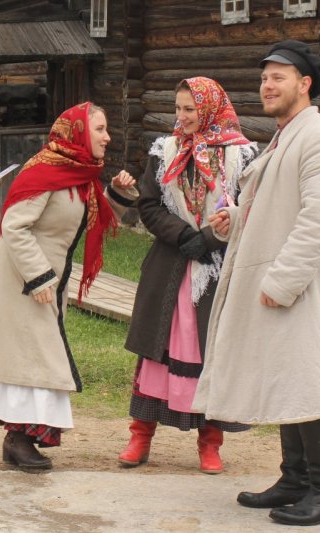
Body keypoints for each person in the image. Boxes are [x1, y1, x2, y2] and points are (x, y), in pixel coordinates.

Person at [191, 40, 320, 526]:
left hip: (302, 284)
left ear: (304, 84)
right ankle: (296, 479)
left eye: (278, 78)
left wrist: (284, 280)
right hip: (279, 277)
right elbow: (278, 205)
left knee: (306, 382)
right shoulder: (286, 137)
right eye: (265, 78)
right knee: (288, 379)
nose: (267, 86)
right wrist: (236, 217)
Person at [0, 102, 138, 472]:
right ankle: (20, 438)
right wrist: (37, 276)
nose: (107, 136)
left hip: (45, 280)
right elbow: (14, 225)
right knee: (32, 356)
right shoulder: (46, 170)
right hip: (20, 277)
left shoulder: (80, 174)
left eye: (107, 129)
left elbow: (94, 220)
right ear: (78, 132)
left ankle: (21, 438)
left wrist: (117, 194)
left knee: (34, 356)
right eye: (100, 129)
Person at [118, 77, 257, 473]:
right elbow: (149, 204)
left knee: (212, 353)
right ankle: (140, 436)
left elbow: (250, 208)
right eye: (178, 109)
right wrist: (184, 236)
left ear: (209, 108)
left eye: (190, 109)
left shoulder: (242, 155)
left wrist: (210, 238)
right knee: (155, 353)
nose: (182, 117)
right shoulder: (165, 151)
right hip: (170, 265)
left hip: (217, 268)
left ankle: (210, 443)